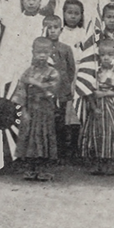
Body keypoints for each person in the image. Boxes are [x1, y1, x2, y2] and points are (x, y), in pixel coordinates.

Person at [12, 37, 60, 181]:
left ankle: (44, 168)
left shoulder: (53, 72)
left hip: (45, 109)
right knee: (29, 137)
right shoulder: (28, 71)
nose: (42, 55)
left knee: (44, 136)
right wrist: (23, 108)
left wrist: (36, 83)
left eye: (45, 52)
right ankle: (30, 168)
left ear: (51, 52)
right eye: (39, 52)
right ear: (33, 52)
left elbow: (53, 90)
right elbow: (21, 90)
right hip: (30, 109)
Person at [80, 38, 114, 175]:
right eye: (103, 55)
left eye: (110, 55)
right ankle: (97, 163)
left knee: (109, 133)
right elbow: (87, 90)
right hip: (97, 107)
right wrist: (94, 106)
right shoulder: (95, 72)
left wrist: (104, 94)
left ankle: (108, 164)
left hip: (110, 106)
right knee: (95, 133)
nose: (106, 58)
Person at [43, 15, 76, 162]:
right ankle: (47, 152)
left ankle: (61, 152)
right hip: (46, 91)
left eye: (55, 28)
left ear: (61, 30)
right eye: (49, 28)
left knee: (60, 120)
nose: (52, 31)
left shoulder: (66, 49)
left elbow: (71, 69)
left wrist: (64, 85)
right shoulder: (41, 48)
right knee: (46, 119)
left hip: (61, 90)